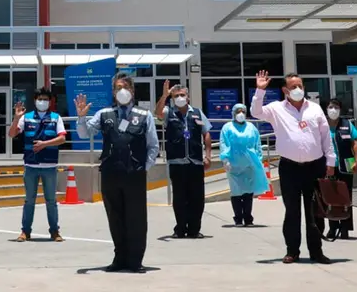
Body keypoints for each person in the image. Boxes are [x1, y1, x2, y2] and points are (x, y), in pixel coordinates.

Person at [75, 72, 159, 273]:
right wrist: (81, 117)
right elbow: (84, 133)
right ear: (113, 92)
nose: (122, 91)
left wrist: (144, 168)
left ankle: (135, 260)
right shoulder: (104, 114)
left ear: (132, 91)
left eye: (125, 87)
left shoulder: (144, 115)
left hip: (134, 175)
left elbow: (153, 146)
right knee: (115, 217)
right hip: (111, 173)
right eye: (118, 88)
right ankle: (120, 258)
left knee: (136, 218)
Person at [251, 70, 335, 264]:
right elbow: (256, 112)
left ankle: (316, 251)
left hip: (315, 166)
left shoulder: (315, 109)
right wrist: (260, 91)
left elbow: (325, 136)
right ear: (285, 90)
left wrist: (330, 162)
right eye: (293, 86)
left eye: (300, 86)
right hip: (290, 168)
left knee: (315, 211)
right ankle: (292, 251)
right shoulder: (276, 109)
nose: (298, 89)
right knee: (292, 211)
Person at [155, 81, 212, 238]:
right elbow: (158, 113)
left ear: (188, 97)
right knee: (179, 198)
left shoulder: (197, 113)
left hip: (195, 162)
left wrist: (208, 155)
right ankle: (180, 229)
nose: (179, 98)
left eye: (182, 95)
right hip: (177, 162)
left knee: (197, 198)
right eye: (176, 96)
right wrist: (164, 96)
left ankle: (194, 229)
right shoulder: (169, 112)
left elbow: (206, 133)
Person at [8, 88, 66, 242]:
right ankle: (25, 231)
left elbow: (62, 138)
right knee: (29, 200)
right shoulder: (26, 118)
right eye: (40, 99)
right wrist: (16, 118)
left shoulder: (56, 118)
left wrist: (44, 144)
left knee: (51, 201)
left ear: (50, 101)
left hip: (49, 166)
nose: (42, 102)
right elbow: (12, 134)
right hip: (31, 165)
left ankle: (55, 231)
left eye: (45, 99)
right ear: (34, 101)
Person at [218, 102, 270, 226]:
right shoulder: (227, 128)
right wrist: (225, 160)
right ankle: (238, 218)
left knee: (248, 192)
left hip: (249, 164)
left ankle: (248, 218)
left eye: (243, 111)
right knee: (236, 192)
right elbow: (223, 143)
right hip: (233, 164)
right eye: (238, 111)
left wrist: (259, 159)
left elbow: (257, 144)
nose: (240, 114)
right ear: (233, 113)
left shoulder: (251, 127)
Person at [323, 99, 357, 241]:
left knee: (346, 197)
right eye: (330, 107)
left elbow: (355, 141)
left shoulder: (347, 124)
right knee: (330, 197)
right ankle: (333, 227)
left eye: (336, 107)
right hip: (329, 166)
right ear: (326, 109)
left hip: (346, 164)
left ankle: (345, 228)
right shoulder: (323, 124)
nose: (333, 110)